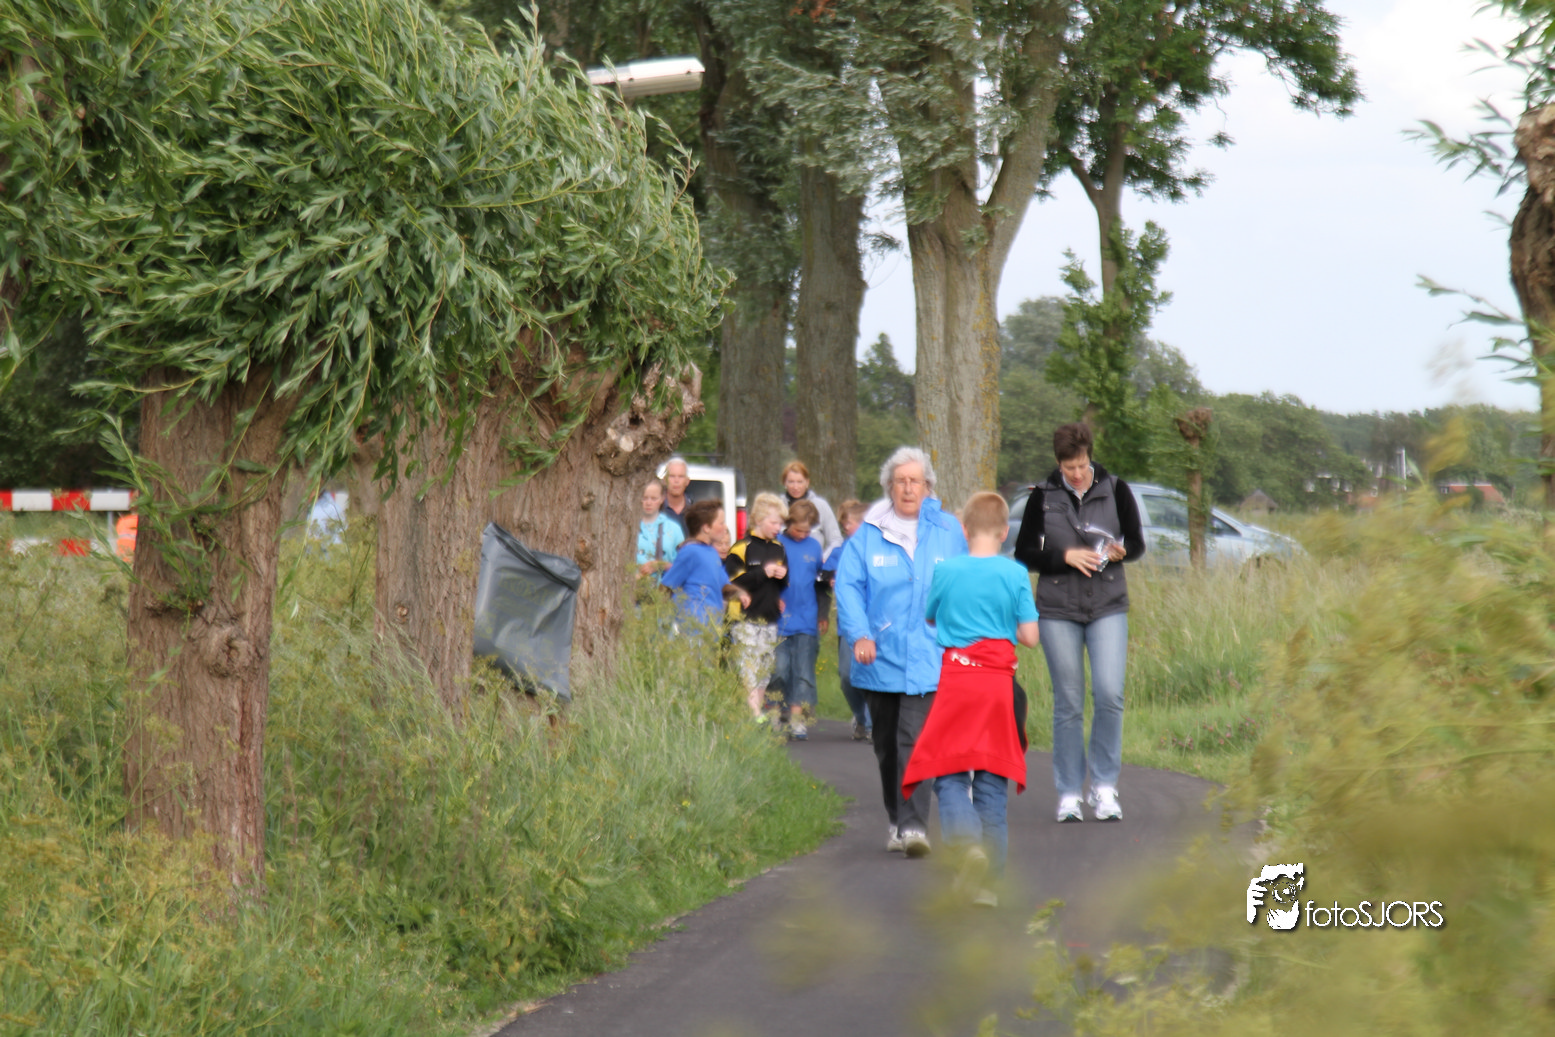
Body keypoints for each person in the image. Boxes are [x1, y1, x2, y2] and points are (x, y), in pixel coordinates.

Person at [903, 492, 1039, 908]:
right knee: (992, 783)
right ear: (1004, 532)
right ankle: (987, 888)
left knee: (950, 773)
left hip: (958, 684)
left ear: (963, 529)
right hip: (998, 688)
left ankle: (967, 845)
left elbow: (931, 616)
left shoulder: (947, 570)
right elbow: (1030, 637)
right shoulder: (1015, 573)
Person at [835, 447, 968, 857]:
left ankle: (913, 828)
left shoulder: (948, 530)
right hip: (879, 655)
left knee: (915, 739)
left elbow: (963, 583)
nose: (908, 488)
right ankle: (896, 819)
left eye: (916, 481)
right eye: (901, 481)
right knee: (887, 746)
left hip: (929, 654)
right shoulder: (869, 532)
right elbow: (848, 586)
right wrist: (859, 634)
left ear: (928, 486)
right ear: (889, 487)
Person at [1012, 422, 1145, 823]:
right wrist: (1064, 557)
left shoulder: (1116, 489)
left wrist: (1122, 551)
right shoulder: (1042, 496)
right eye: (1068, 467)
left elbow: (1137, 543)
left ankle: (1104, 787)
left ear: (1090, 456)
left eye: (1082, 465)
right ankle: (1069, 792)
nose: (1076, 473)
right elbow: (1024, 553)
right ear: (1058, 462)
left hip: (1108, 604)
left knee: (1109, 694)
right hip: (1057, 609)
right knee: (1068, 701)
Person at [726, 493, 789, 721]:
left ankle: (756, 713)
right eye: (774, 522)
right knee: (748, 669)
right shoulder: (741, 548)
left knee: (764, 672)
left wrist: (782, 576)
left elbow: (783, 583)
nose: (778, 528)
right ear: (760, 520)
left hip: (770, 619)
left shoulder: (779, 548)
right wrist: (762, 573)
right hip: (746, 619)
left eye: (780, 523)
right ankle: (754, 715)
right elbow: (731, 582)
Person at [773, 499, 830, 741]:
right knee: (778, 669)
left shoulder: (814, 546)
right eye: (798, 530)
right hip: (779, 620)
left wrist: (823, 614)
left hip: (807, 618)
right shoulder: (776, 543)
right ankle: (775, 714)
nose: (803, 535)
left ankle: (797, 720)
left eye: (807, 531)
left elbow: (820, 584)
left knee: (803, 672)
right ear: (788, 524)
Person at [821, 499, 871, 741]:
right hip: (848, 625)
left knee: (872, 676)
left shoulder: (879, 547)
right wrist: (833, 578)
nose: (845, 528)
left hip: (874, 624)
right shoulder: (843, 550)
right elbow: (824, 573)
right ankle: (860, 716)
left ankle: (871, 725)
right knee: (847, 676)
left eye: (849, 523)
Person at [660, 499, 742, 632]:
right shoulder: (690, 551)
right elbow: (666, 587)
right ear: (706, 528)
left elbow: (723, 586)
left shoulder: (712, 553)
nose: (725, 527)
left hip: (712, 627)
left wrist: (741, 594)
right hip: (692, 628)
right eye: (721, 523)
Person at [781, 460, 844, 557]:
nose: (795, 487)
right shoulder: (778, 506)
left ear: (807, 482)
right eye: (791, 482)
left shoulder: (821, 506)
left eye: (800, 482)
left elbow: (836, 540)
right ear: (784, 483)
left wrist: (823, 558)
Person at [636, 479, 684, 579]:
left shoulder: (674, 529)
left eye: (654, 499)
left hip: (663, 585)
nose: (648, 503)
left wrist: (662, 565)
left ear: (662, 498)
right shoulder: (628, 527)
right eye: (644, 498)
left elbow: (683, 567)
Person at [661, 456, 693, 535]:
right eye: (672, 476)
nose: (676, 481)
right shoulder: (656, 509)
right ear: (664, 480)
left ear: (687, 481)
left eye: (681, 476)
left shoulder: (694, 510)